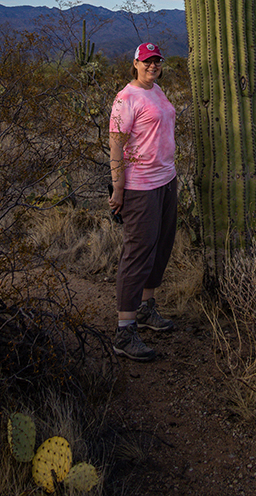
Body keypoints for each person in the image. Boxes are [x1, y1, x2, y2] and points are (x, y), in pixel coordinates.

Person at [109, 42, 177, 361]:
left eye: (157, 61)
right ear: (135, 63)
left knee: (160, 247)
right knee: (138, 253)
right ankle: (124, 330)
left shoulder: (157, 90)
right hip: (140, 186)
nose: (153, 65)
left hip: (165, 179)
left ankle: (147, 308)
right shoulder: (126, 98)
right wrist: (118, 187)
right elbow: (116, 145)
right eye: (147, 61)